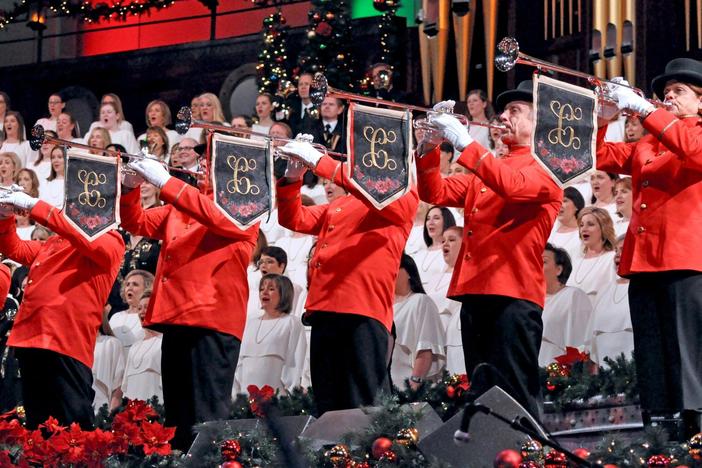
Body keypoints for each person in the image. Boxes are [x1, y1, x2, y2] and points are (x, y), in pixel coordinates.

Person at [416, 82, 562, 418]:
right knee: (482, 395)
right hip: (477, 292)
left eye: (516, 111)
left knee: (515, 394)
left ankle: (530, 457)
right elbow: (433, 192)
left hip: (513, 294)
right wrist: (429, 147)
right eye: (504, 111)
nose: (505, 117)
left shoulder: (546, 167)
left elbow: (511, 186)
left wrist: (465, 141)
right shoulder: (488, 168)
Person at [119, 146, 259, 449]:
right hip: (177, 318)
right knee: (178, 418)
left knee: (204, 416)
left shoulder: (244, 203)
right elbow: (135, 222)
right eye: (205, 162)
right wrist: (130, 187)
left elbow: (216, 216)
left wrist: (167, 182)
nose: (205, 167)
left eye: (213, 162)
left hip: (211, 319)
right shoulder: (180, 208)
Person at [596, 60, 702, 438]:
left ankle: (695, 431)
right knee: (652, 353)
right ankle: (658, 427)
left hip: (684, 258)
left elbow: (691, 149)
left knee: (686, 353)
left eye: (680, 92)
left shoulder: (694, 132)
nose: (669, 96)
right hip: (644, 262)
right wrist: (606, 117)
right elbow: (601, 157)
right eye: (666, 92)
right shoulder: (649, 142)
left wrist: (647, 110)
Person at [277, 136, 418, 414]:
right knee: (329, 401)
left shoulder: (401, 194)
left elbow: (378, 197)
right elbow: (293, 219)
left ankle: (373, 457)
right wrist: (293, 177)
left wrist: (322, 162)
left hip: (362, 308)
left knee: (363, 401)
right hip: (325, 308)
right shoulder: (340, 205)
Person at [0, 188, 124, 428]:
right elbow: (15, 248)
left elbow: (80, 235)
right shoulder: (54, 243)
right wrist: (5, 216)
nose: (73, 210)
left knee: (72, 424)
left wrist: (37, 206)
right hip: (31, 339)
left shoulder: (111, 240)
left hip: (66, 341)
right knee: (38, 423)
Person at [234, 274, 306, 395]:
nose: (264, 292)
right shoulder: (250, 323)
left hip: (276, 397)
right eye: (262, 289)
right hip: (245, 396)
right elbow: (239, 363)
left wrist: (291, 394)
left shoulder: (291, 323)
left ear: (284, 294)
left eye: (271, 289)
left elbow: (295, 363)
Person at [392, 254, 446, 390]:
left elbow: (426, 348)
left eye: (395, 267)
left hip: (407, 388)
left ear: (409, 272)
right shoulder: (384, 307)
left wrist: (414, 384)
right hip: (386, 387)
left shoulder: (421, 301)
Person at [538, 244, 592, 366]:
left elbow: (581, 344)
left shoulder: (574, 296)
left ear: (559, 269)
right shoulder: (529, 301)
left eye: (543, 261)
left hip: (557, 376)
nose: (535, 266)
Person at [587, 235, 634, 367]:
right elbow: (592, 340)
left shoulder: (647, 289)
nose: (617, 256)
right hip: (604, 370)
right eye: (616, 251)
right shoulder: (604, 290)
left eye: (623, 250)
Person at [566, 206, 617, 305]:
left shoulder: (611, 258)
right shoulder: (574, 257)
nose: (584, 229)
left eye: (590, 224)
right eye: (581, 225)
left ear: (603, 228)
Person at [121, 291, 163, 402]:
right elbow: (126, 388)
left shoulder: (163, 342)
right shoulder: (134, 346)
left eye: (147, 307)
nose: (142, 312)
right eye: (139, 308)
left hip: (156, 406)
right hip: (132, 410)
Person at [109, 269, 154, 354]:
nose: (129, 287)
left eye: (135, 284)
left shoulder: (149, 317)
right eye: (127, 284)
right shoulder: (116, 317)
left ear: (147, 289)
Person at [412, 206, 456, 286]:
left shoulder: (452, 254)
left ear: (446, 221)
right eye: (428, 219)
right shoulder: (418, 254)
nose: (431, 222)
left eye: (436, 218)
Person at [92, 311, 125, 414]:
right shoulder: (75, 345)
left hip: (102, 411)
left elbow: (119, 384)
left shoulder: (111, 343)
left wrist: (112, 413)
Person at [548, 186, 586, 262]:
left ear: (576, 206)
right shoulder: (549, 231)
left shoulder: (584, 233)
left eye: (564, 201)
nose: (559, 204)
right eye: (557, 201)